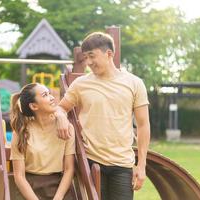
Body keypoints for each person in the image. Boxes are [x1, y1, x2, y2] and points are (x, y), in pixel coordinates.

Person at [55, 32, 150, 200]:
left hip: (122, 165)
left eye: (92, 56)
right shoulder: (81, 84)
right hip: (91, 162)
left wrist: (141, 166)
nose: (89, 62)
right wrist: (61, 117)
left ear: (109, 54)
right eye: (85, 57)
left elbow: (143, 125)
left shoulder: (134, 83)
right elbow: (60, 108)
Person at [10, 83, 75, 200]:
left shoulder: (67, 128)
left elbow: (69, 169)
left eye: (50, 93)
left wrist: (58, 197)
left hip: (59, 188)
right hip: (29, 190)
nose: (52, 97)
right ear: (34, 106)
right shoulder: (21, 132)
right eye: (45, 95)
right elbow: (19, 176)